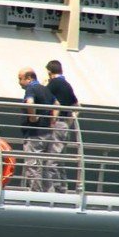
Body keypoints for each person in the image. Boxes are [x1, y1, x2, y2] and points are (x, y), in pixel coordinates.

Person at [18, 67, 60, 192]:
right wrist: (53, 120)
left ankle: (35, 194)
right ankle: (48, 195)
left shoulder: (31, 88)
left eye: (20, 79)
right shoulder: (44, 89)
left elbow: (30, 103)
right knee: (45, 166)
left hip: (35, 134)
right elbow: (57, 104)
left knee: (33, 165)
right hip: (47, 132)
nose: (19, 82)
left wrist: (32, 118)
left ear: (29, 78)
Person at [44, 60, 79, 193]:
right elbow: (77, 105)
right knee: (60, 159)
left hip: (56, 123)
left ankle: (51, 191)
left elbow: (45, 98)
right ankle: (62, 188)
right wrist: (69, 122)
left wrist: (52, 121)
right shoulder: (67, 85)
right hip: (64, 125)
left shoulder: (53, 84)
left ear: (49, 71)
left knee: (51, 160)